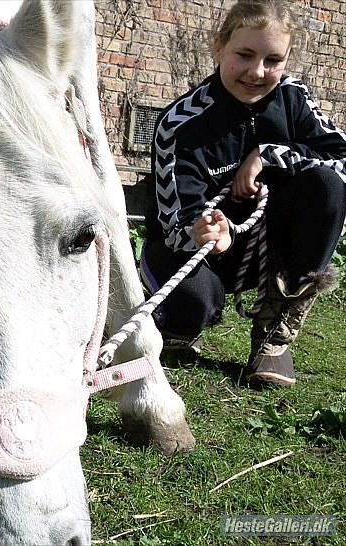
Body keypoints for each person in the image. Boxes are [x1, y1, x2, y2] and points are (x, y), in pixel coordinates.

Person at [141, 0, 346, 387]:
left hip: (266, 247)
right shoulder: (179, 124)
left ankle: (274, 329)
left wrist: (266, 155)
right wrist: (202, 230)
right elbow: (175, 224)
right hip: (195, 252)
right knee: (192, 307)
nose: (257, 72)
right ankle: (174, 317)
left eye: (273, 60)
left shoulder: (293, 98)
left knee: (327, 186)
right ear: (219, 47)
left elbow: (341, 157)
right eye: (245, 55)